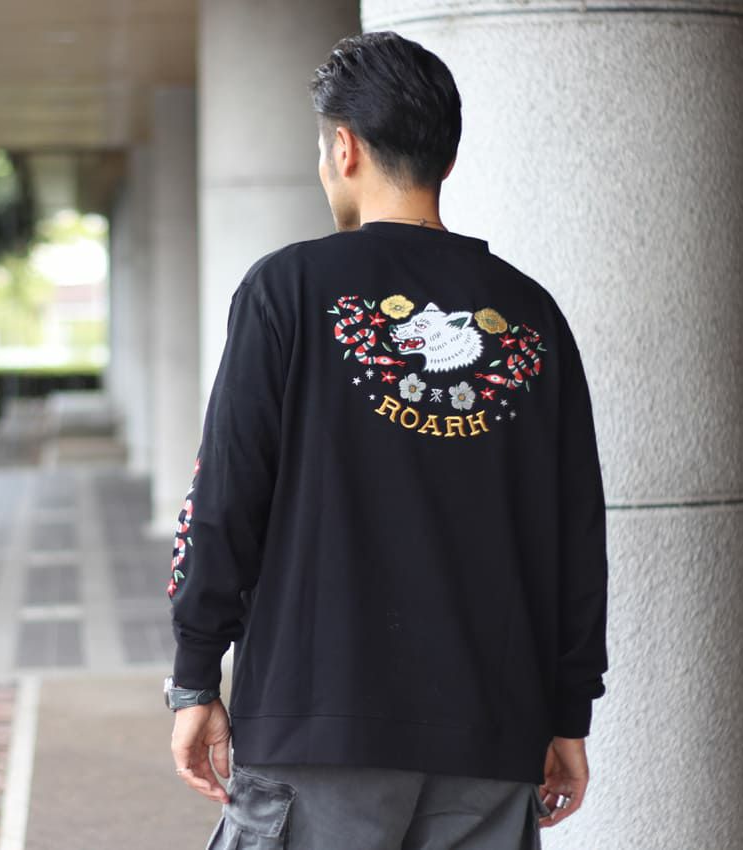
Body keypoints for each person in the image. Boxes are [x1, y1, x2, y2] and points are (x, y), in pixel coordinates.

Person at [165, 29, 609, 850]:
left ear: (345, 147)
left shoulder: (287, 289)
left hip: (317, 727)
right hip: (491, 733)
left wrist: (194, 677)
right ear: (447, 156)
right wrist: (567, 712)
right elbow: (575, 534)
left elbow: (225, 498)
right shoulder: (530, 313)